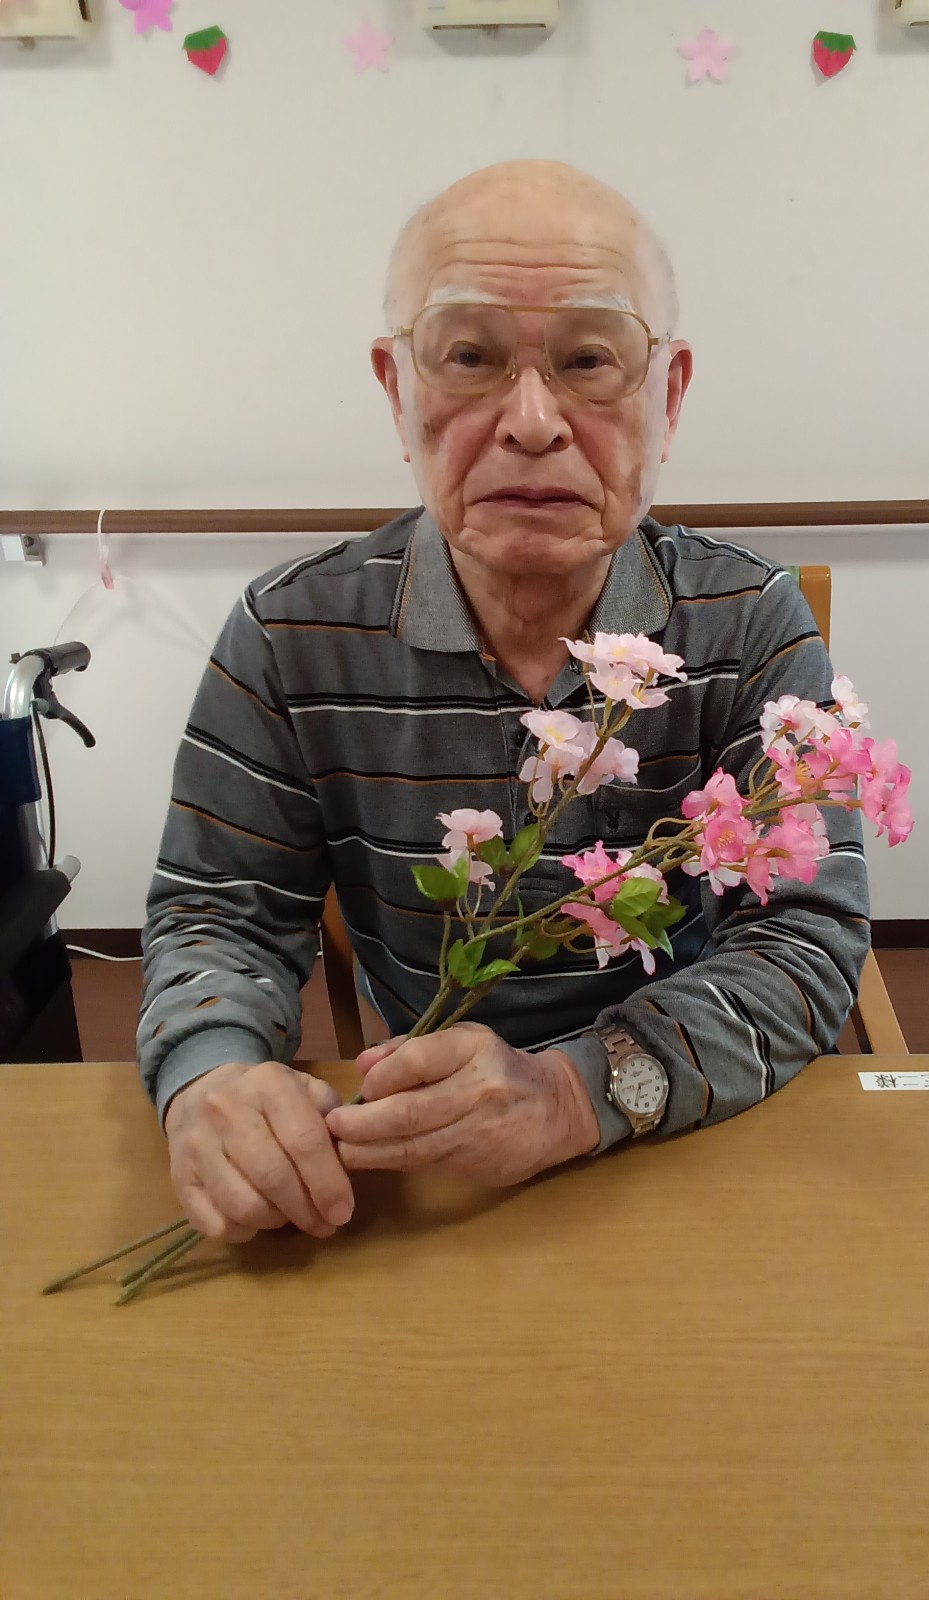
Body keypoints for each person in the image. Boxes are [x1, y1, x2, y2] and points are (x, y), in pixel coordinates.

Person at [138, 160, 870, 1246]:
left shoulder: (749, 620)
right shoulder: (291, 633)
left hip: (676, 1130)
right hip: (423, 1170)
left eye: (590, 360)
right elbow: (219, 912)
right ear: (397, 389)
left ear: (667, 396)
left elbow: (805, 940)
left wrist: (573, 1093)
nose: (532, 422)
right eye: (470, 357)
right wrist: (212, 1074)